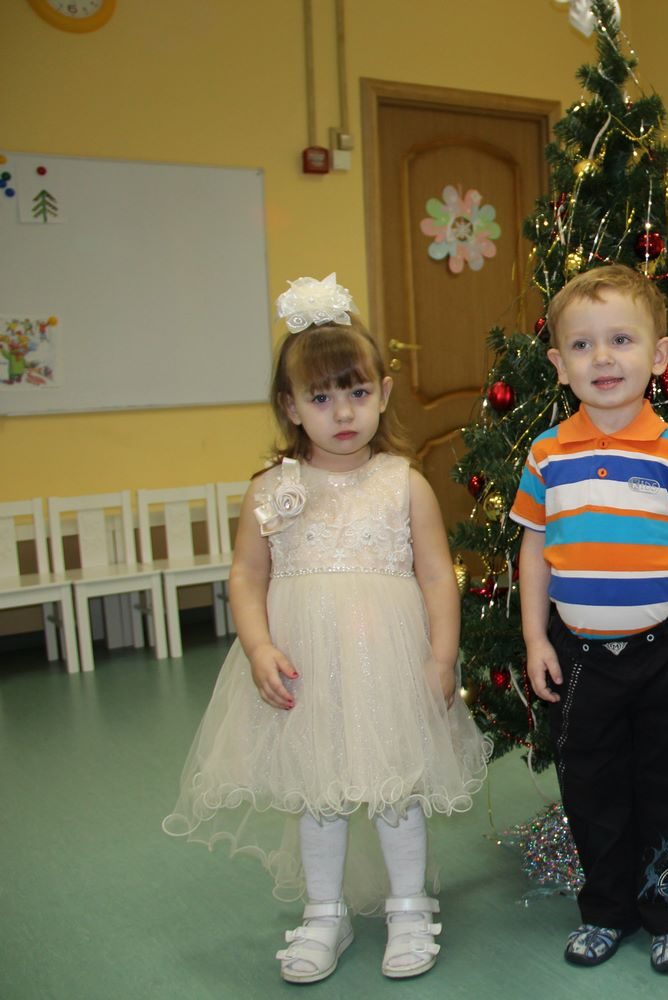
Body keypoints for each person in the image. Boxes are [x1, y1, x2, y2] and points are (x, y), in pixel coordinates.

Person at [163, 274, 491, 982]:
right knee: (319, 790)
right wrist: (258, 646)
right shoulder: (271, 489)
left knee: (396, 787)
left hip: (390, 666)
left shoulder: (404, 482)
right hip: (307, 667)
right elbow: (247, 576)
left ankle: (409, 906)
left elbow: (439, 576)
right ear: (290, 406)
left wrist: (442, 657)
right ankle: (322, 912)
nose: (343, 412)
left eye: (358, 392)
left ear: (385, 392)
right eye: (320, 398)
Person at [512, 265, 668, 975]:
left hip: (665, 652)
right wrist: (535, 637)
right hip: (581, 657)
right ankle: (606, 910)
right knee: (591, 788)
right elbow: (533, 550)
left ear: (659, 356)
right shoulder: (546, 455)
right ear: (559, 363)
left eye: (621, 340)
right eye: (582, 345)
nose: (602, 358)